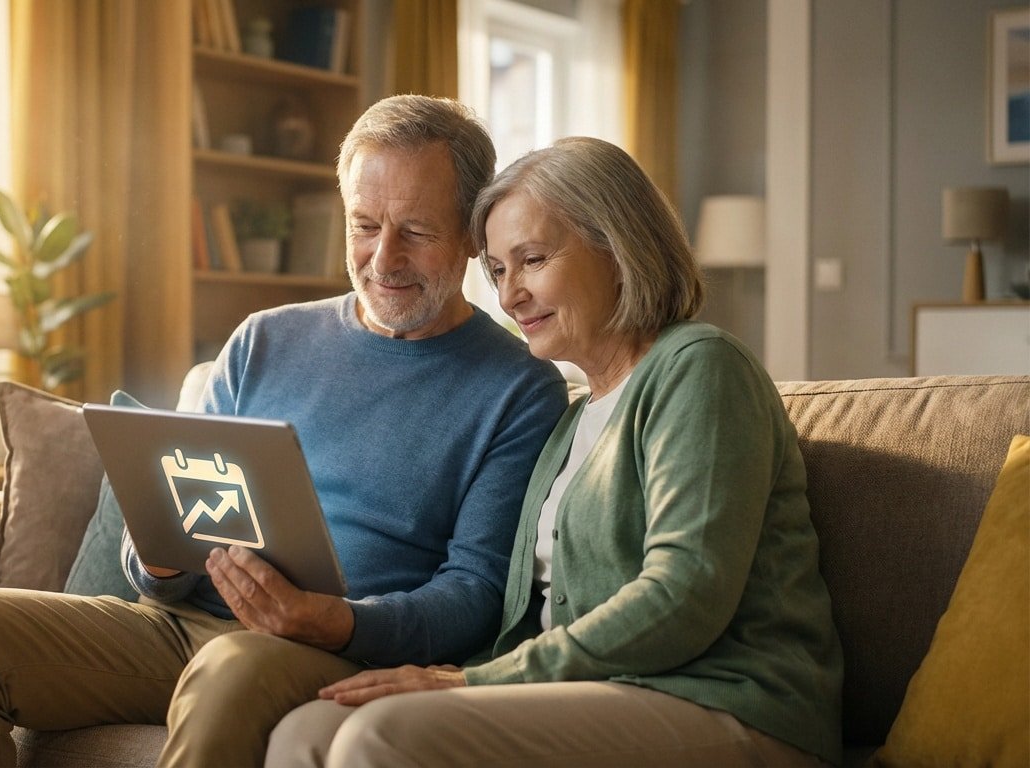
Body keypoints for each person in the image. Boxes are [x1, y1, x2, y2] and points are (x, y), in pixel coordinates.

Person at [0, 95, 569, 767]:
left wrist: (335, 620)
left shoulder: (517, 388)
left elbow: (476, 595)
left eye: (415, 231)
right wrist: (155, 559)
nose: (382, 257)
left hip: (325, 648)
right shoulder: (265, 340)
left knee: (231, 669)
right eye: (364, 225)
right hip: (178, 627)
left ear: (472, 235)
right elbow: (161, 535)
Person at [265, 137, 844, 768]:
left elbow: (685, 595)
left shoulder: (699, 368)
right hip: (591, 694)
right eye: (497, 270)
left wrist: (469, 683)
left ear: (620, 247)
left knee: (381, 736)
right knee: (309, 730)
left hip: (730, 701)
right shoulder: (571, 422)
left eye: (533, 260)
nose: (510, 295)